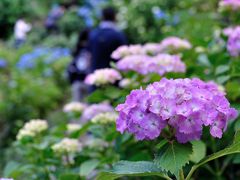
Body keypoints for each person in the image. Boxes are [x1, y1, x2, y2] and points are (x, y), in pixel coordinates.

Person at [88, 7, 127, 71]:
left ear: (102, 17)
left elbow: (89, 56)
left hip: (95, 74)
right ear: (114, 17)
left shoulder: (93, 34)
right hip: (114, 75)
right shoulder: (118, 35)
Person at [67, 28, 91, 101]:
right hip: (84, 81)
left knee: (78, 104)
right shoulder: (86, 51)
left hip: (79, 81)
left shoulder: (78, 51)